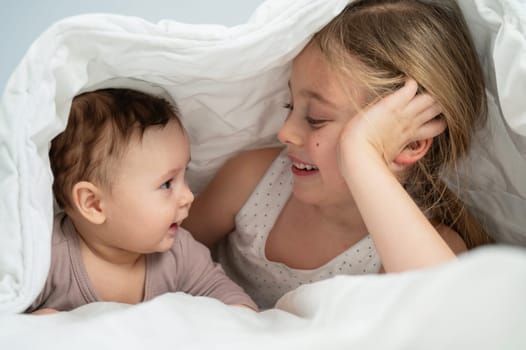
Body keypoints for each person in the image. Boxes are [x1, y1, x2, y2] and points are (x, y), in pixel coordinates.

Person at [182, 0, 494, 309]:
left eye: (316, 118)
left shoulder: (421, 246)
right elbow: (156, 255)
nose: (285, 132)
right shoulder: (252, 180)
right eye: (290, 106)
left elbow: (444, 320)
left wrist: (361, 155)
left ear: (410, 145)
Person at [26, 88, 257, 314]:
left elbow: (234, 302)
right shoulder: (45, 258)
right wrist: (39, 327)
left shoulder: (181, 254)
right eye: (167, 184)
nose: (188, 196)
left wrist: (237, 315)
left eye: (184, 175)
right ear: (94, 204)